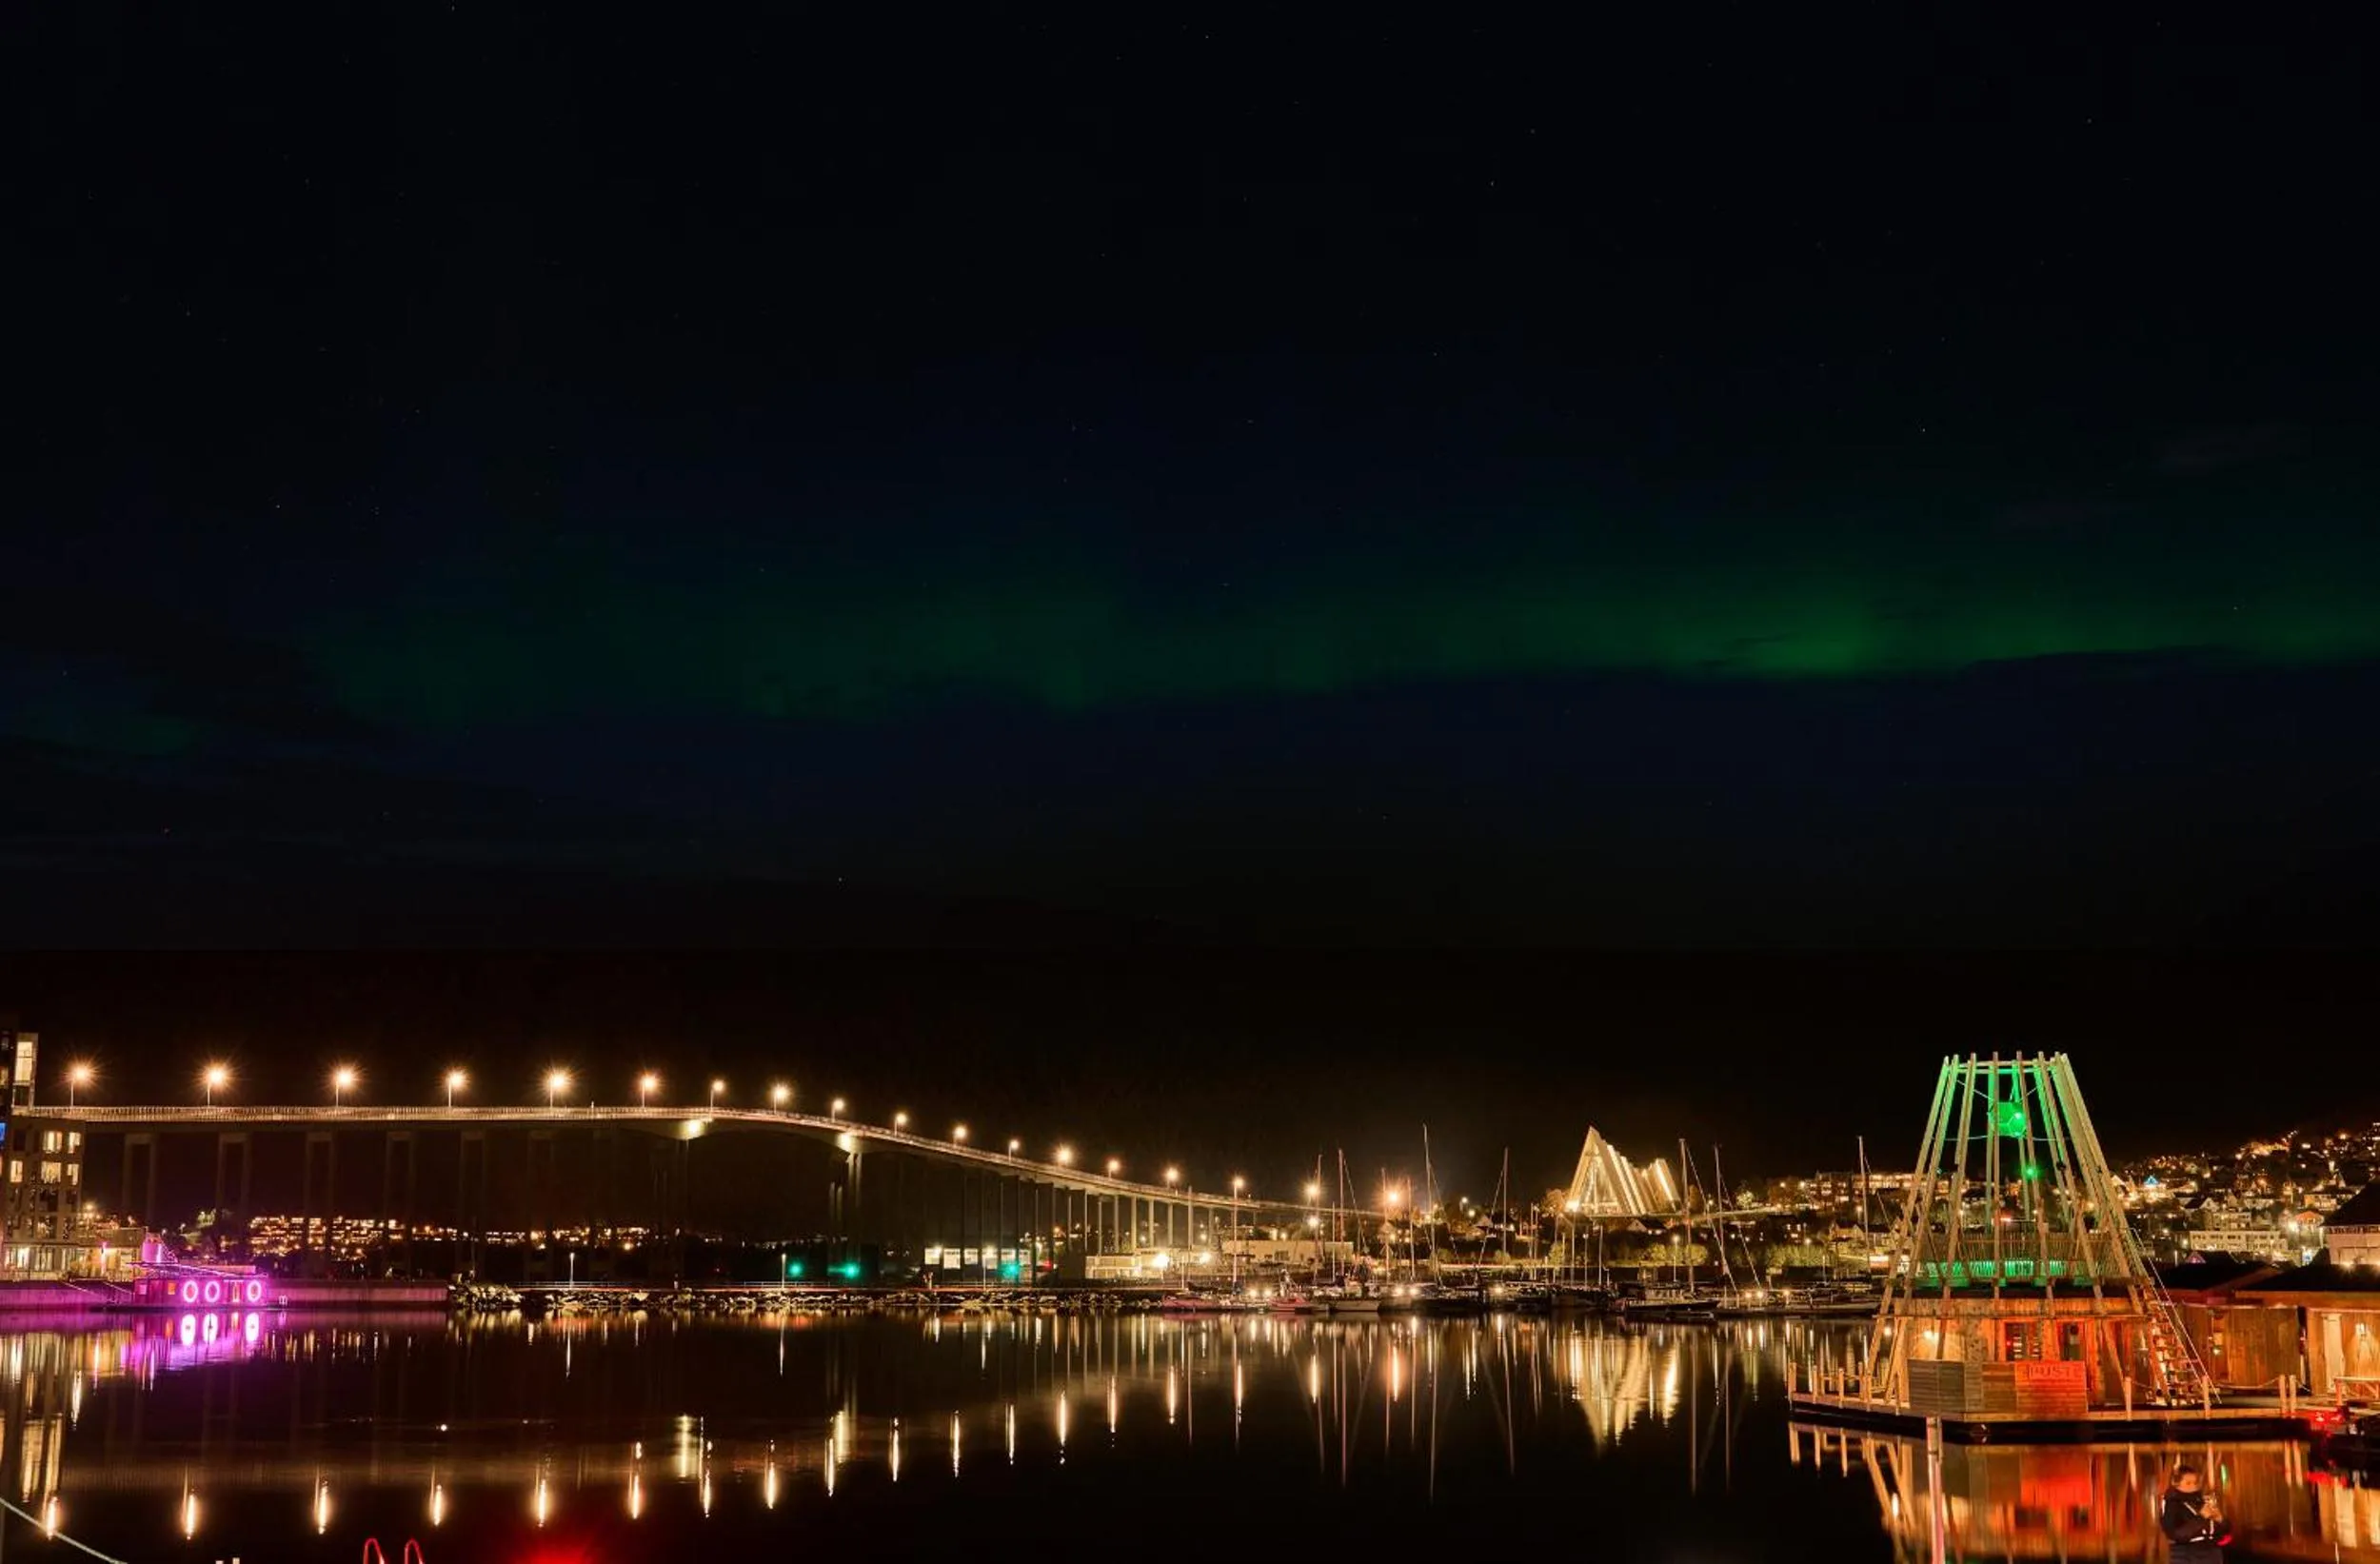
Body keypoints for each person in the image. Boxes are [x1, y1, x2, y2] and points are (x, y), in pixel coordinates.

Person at [2161, 1463, 2229, 1562]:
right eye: (2188, 1483)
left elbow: (2223, 1531)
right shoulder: (2172, 1504)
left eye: (2195, 1483)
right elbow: (2175, 1534)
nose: (2193, 1486)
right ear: (2177, 1484)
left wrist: (2221, 1520)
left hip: (2211, 1553)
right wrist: (2201, 1517)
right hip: (2187, 1555)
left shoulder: (2201, 1501)